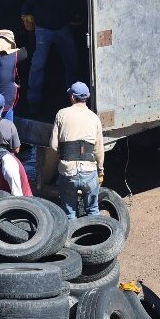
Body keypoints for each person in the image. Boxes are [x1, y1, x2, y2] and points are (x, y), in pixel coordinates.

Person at [21, 0, 80, 107]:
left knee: (72, 61)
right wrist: (25, 17)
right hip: (42, 28)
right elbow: (28, 4)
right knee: (38, 64)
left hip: (62, 27)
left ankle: (74, 98)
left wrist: (75, 16)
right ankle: (33, 101)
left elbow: (74, 4)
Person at [46, 82, 104, 218]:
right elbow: (99, 150)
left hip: (68, 172)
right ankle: (94, 237)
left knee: (69, 213)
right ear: (87, 97)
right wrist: (100, 170)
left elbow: (53, 146)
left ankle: (71, 238)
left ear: (72, 97)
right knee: (93, 211)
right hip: (89, 172)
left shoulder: (61, 114)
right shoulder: (95, 118)